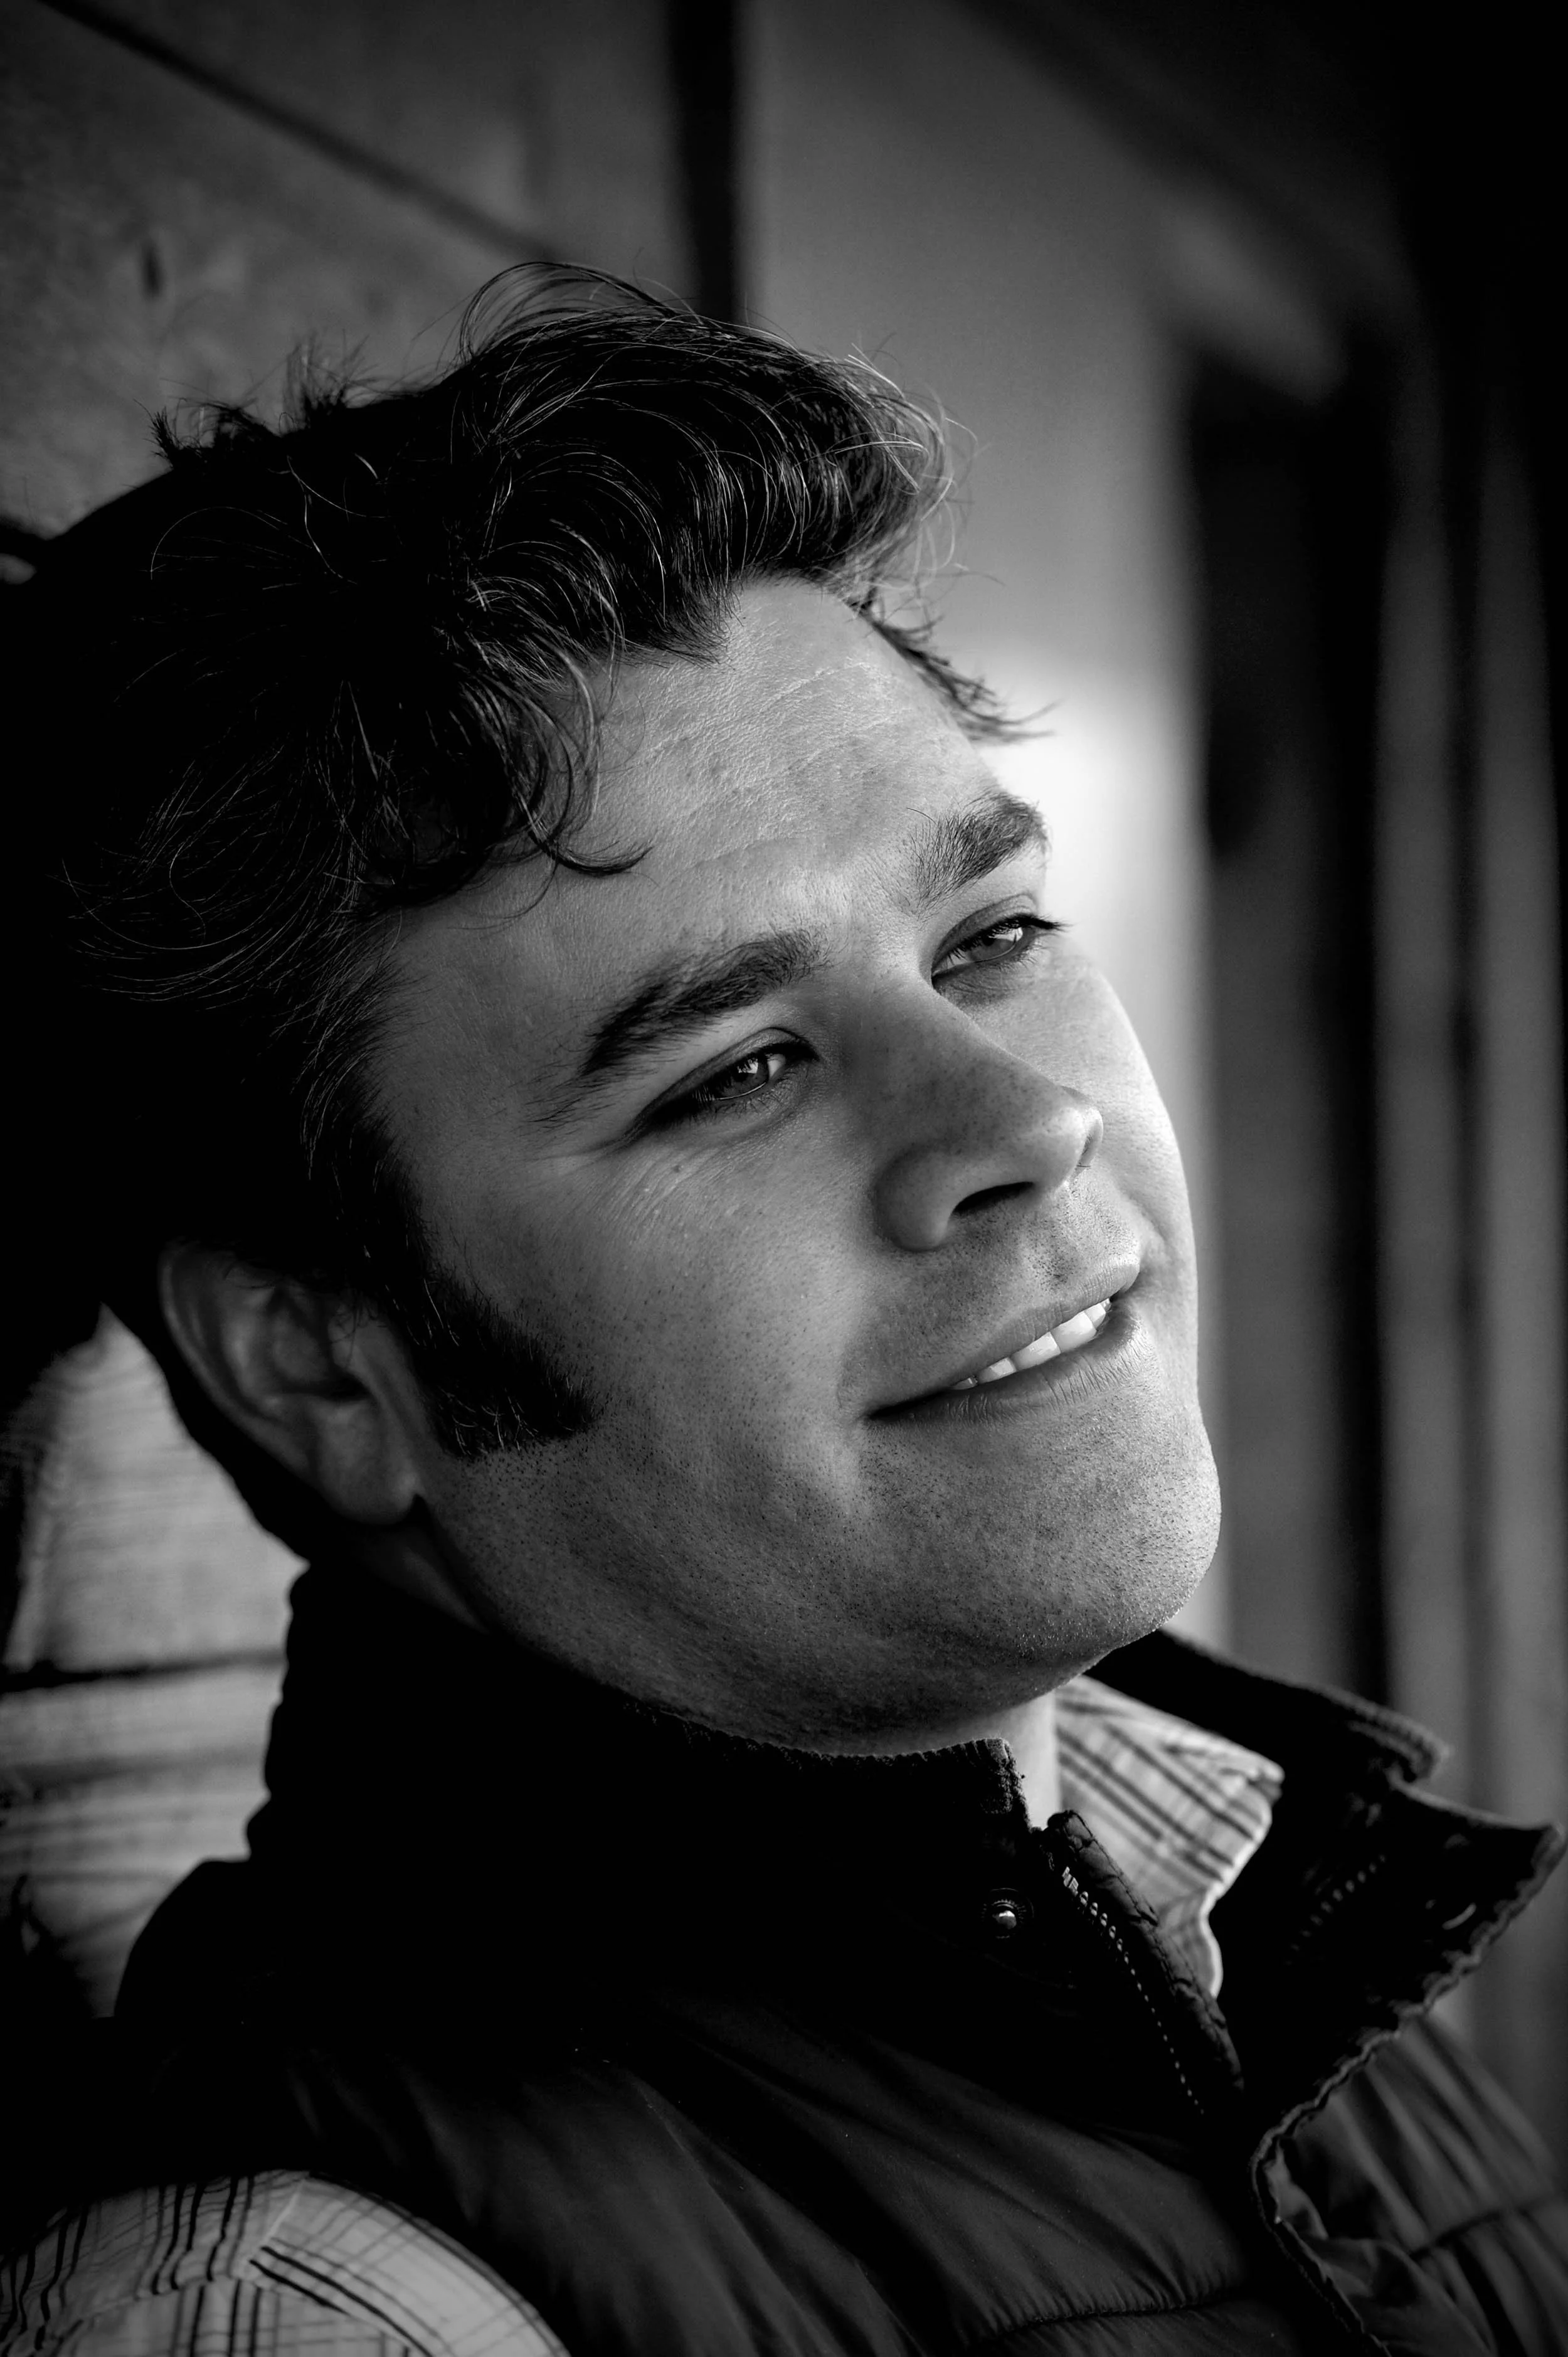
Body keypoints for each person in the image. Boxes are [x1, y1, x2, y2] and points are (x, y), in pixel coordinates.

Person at [3, 270, 1566, 2356]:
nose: (1022, 1122)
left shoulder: (1244, 1921)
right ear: (318, 1360)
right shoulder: (323, 2309)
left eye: (991, 932)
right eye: (736, 1067)